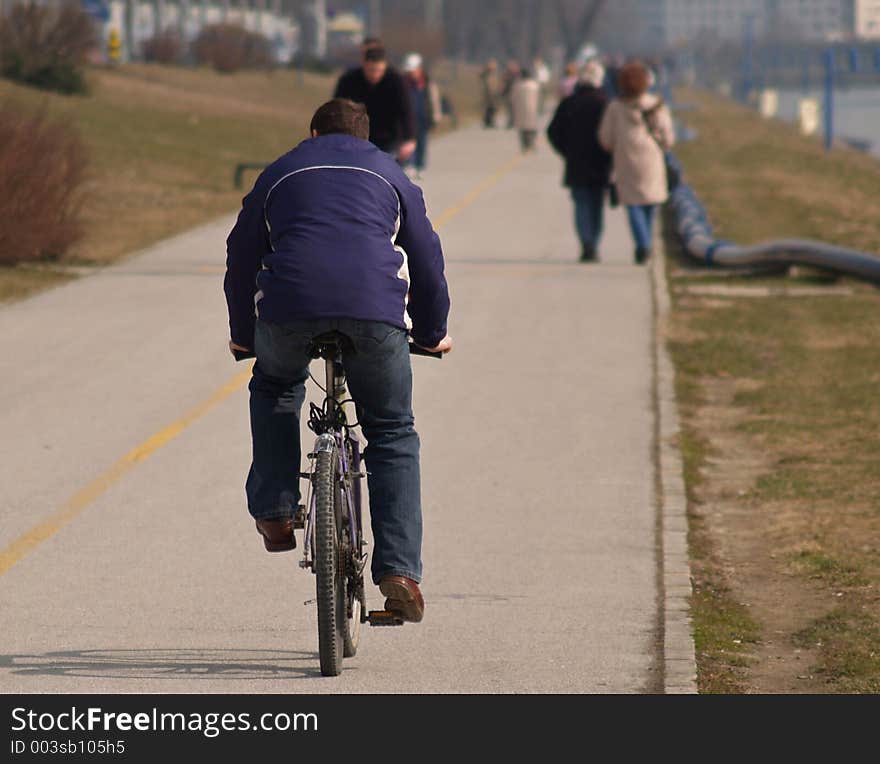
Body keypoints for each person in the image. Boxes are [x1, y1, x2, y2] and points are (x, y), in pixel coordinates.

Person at [224, 99, 452, 623]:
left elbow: (241, 257)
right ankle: (399, 571)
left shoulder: (280, 172)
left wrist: (244, 336)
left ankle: (277, 512)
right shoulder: (392, 174)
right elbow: (427, 259)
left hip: (288, 311)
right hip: (375, 315)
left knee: (277, 386)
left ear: (311, 132)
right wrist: (433, 333)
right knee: (392, 429)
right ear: (368, 138)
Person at [598, 59, 675, 264]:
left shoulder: (615, 108)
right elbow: (668, 137)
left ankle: (643, 245)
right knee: (650, 204)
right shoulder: (656, 105)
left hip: (626, 161)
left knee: (633, 205)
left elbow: (605, 139)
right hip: (652, 160)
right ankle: (646, 241)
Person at [547, 60, 612, 262]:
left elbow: (553, 132)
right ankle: (594, 241)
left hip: (576, 164)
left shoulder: (569, 103)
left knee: (581, 205)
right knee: (596, 206)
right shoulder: (605, 104)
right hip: (600, 163)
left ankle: (586, 243)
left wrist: (566, 151)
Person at [334, 42, 416, 164]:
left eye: (379, 70)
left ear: (385, 66)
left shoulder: (396, 81)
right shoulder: (349, 81)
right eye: (371, 70)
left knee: (386, 173)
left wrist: (409, 139)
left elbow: (406, 111)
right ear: (364, 65)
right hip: (358, 138)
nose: (375, 75)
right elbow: (337, 109)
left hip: (389, 138)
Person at [402, 52, 441, 179]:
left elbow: (434, 100)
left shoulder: (427, 82)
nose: (411, 73)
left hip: (423, 117)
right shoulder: (403, 83)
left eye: (413, 70)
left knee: (422, 143)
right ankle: (409, 165)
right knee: (408, 142)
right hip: (409, 118)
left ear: (419, 68)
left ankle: (420, 166)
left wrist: (436, 116)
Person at [511, 67, 540, 153]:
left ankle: (524, 146)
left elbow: (512, 98)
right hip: (532, 108)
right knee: (531, 127)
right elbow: (538, 97)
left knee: (522, 128)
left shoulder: (517, 85)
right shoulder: (534, 85)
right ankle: (532, 144)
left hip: (520, 109)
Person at [480, 58, 502, 128]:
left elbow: (496, 83)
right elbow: (488, 84)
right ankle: (488, 122)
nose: (494, 67)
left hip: (494, 93)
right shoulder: (486, 74)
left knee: (493, 109)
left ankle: (490, 122)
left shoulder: (494, 74)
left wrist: (498, 90)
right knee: (489, 108)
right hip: (489, 94)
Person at [501, 59, 521, 129]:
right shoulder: (507, 75)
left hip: (515, 95)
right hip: (510, 94)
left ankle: (513, 122)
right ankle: (511, 122)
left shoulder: (517, 75)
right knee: (510, 109)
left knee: (514, 109)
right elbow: (504, 85)